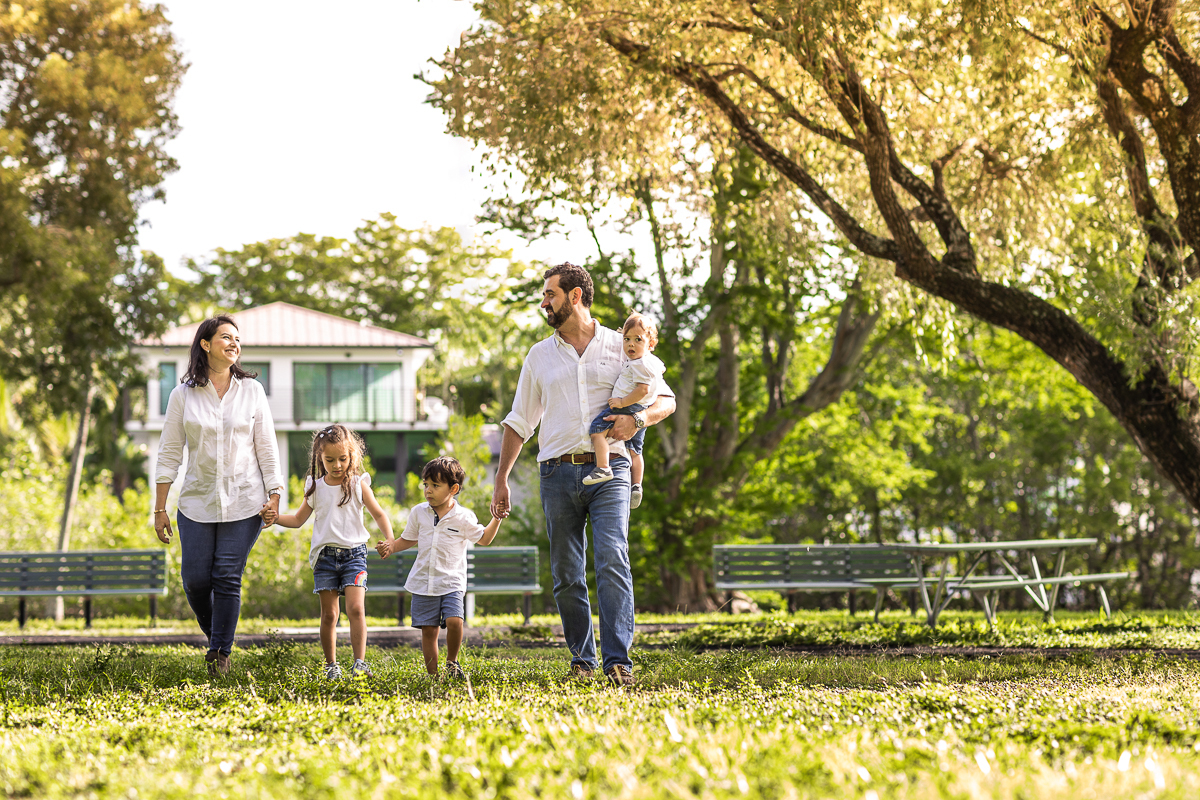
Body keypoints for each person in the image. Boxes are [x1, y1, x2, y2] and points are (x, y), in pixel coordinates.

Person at [491, 263, 676, 686]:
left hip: (610, 468)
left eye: (550, 295)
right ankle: (581, 657)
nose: (544, 302)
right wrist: (502, 476)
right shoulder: (539, 356)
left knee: (613, 557)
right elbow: (520, 421)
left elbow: (668, 400)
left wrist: (639, 421)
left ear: (575, 296)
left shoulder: (624, 344)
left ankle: (618, 662)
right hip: (556, 473)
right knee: (567, 572)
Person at [153, 314, 284, 677]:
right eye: (226, 337)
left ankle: (219, 653)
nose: (234, 343)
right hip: (196, 502)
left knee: (227, 575)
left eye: (237, 339)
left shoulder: (252, 392)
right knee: (195, 581)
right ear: (206, 344)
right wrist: (159, 508)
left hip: (245, 501)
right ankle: (219, 637)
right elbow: (168, 453)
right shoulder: (182, 395)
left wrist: (274, 494)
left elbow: (267, 448)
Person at [271, 424, 394, 680]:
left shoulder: (358, 484)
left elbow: (379, 513)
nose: (337, 465)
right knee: (329, 614)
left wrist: (390, 539)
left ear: (352, 456)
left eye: (342, 458)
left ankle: (359, 663)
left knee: (356, 610)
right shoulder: (315, 488)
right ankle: (331, 666)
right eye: (329, 460)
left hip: (354, 556)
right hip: (325, 558)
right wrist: (273, 518)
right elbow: (296, 520)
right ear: (319, 458)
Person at [377, 456, 502, 679]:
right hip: (423, 582)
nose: (428, 490)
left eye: (435, 485)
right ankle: (434, 676)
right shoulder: (418, 512)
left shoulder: (463, 517)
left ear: (453, 488)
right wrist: (391, 546)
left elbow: (484, 539)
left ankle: (452, 663)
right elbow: (408, 539)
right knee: (429, 631)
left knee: (455, 621)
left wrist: (497, 519)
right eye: (426, 484)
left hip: (451, 581)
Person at [582, 312, 665, 510]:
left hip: (628, 407)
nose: (631, 345)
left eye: (638, 340)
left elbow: (643, 389)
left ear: (650, 343)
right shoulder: (651, 361)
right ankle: (637, 485)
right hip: (640, 412)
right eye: (626, 339)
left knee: (596, 431)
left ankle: (602, 467)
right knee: (635, 450)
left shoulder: (640, 363)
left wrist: (621, 402)